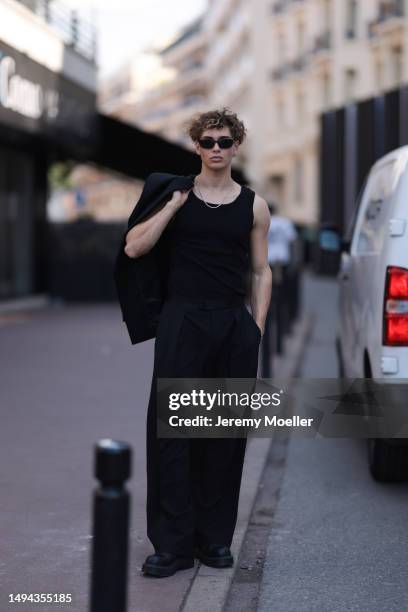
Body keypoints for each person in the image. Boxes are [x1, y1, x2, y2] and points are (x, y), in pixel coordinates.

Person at [124, 107, 272, 578]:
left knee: (224, 436)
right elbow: (134, 248)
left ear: (236, 146)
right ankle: (172, 544)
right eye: (207, 142)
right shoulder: (174, 195)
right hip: (181, 320)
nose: (215, 149)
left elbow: (261, 270)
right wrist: (171, 206)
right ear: (195, 146)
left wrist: (257, 328)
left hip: (232, 323)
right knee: (173, 434)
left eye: (224, 142)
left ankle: (214, 540)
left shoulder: (255, 205)